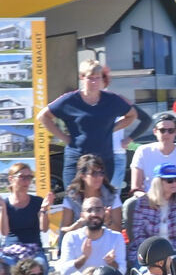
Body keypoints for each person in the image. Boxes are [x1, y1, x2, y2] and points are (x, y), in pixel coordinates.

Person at [38, 60, 136, 190]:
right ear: (82, 77)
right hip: (77, 159)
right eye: (90, 78)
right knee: (74, 197)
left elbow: (132, 115)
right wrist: (64, 138)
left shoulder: (112, 100)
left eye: (97, 78)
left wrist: (111, 128)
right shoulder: (70, 100)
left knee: (101, 198)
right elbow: (43, 116)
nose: (94, 82)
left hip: (104, 160)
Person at [123, 164, 176, 269]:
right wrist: (155, 255)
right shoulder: (142, 203)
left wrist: (169, 253)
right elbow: (138, 235)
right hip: (147, 254)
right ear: (158, 182)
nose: (174, 183)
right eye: (170, 180)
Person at [56, 196, 127, 275]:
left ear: (104, 212)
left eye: (98, 210)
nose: (94, 214)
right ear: (82, 215)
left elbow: (122, 271)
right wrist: (83, 258)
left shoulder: (116, 237)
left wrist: (111, 262)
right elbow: (64, 271)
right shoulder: (71, 237)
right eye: (89, 210)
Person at [130, 112, 176, 198]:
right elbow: (136, 188)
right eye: (162, 130)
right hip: (148, 201)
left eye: (170, 130)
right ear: (155, 131)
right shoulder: (142, 151)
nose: (166, 134)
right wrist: (149, 201)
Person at [0, 163, 50, 262]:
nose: (26, 181)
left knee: (40, 265)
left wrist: (44, 209)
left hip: (34, 249)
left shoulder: (37, 201)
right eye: (22, 177)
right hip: (11, 249)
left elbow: (44, 229)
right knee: (6, 266)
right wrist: (2, 208)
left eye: (29, 177)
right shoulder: (4, 203)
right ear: (11, 179)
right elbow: (4, 232)